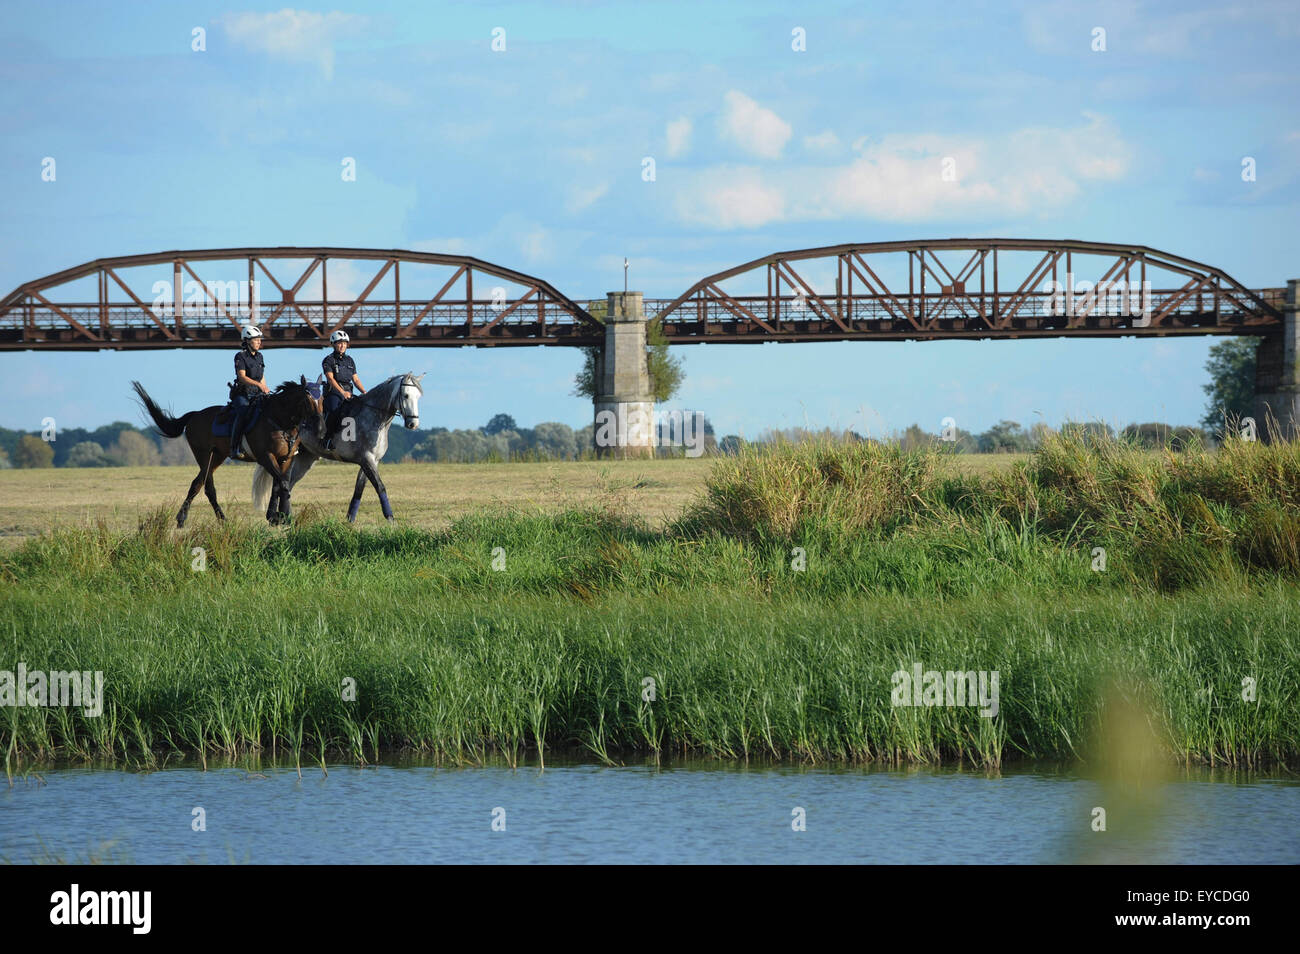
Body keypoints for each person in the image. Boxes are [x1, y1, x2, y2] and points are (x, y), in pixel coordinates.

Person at [228, 325, 270, 460]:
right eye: (256, 339)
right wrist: (258, 385)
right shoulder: (240, 356)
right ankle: (235, 447)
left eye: (259, 339)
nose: (259, 342)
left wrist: (265, 388)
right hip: (242, 394)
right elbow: (242, 377)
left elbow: (261, 376)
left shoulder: (260, 356)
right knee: (243, 413)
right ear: (247, 341)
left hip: (258, 394)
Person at [322, 329, 366, 450]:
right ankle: (327, 439)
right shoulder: (329, 360)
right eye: (339, 343)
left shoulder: (350, 360)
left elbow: (356, 380)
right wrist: (342, 392)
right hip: (334, 392)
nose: (342, 346)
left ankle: (352, 439)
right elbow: (330, 379)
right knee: (334, 410)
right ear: (333, 344)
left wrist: (365, 392)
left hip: (349, 392)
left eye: (345, 343)